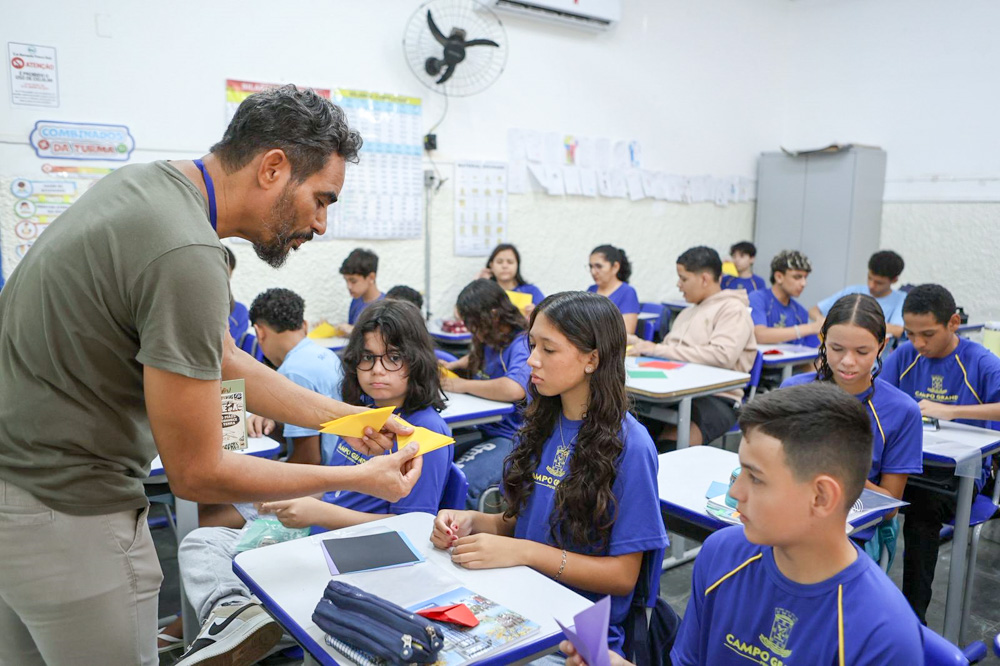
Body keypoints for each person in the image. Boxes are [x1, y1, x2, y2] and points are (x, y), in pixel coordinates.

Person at [0, 85, 422, 665]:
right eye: (321, 199)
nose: (322, 223)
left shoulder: (145, 190)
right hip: (70, 516)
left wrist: (348, 419)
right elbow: (197, 472)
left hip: (20, 497)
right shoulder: (186, 252)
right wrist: (359, 478)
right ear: (273, 168)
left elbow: (224, 360)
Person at [563, 383, 923, 666]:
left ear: (822, 497)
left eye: (756, 478)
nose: (735, 492)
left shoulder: (883, 631)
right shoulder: (722, 554)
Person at [175, 299, 453, 665]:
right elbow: (338, 485)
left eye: (393, 357)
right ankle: (238, 618)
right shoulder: (367, 415)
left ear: (416, 361)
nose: (377, 370)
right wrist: (297, 498)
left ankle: (251, 620)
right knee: (202, 541)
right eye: (367, 358)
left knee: (247, 575)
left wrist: (315, 511)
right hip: (315, 537)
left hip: (354, 560)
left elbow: (411, 530)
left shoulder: (425, 432)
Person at [431, 291, 667, 658]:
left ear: (592, 359)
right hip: (519, 602)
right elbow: (525, 524)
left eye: (548, 349)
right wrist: (475, 522)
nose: (532, 360)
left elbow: (622, 577)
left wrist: (525, 552)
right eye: (531, 346)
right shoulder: (542, 423)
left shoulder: (630, 446)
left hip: (575, 635)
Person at [880, 283, 1000, 623]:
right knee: (857, 495)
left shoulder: (980, 361)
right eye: (911, 333)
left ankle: (912, 619)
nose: (918, 343)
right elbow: (880, 398)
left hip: (961, 475)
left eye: (928, 334)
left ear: (953, 323)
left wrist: (952, 411)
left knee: (922, 511)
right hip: (907, 464)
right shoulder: (904, 356)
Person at [781, 294, 923, 565]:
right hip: (787, 514)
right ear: (823, 340)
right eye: (837, 348)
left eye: (862, 352)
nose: (848, 361)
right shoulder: (793, 391)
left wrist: (839, 471)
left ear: (882, 346)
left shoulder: (902, 411)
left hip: (850, 531)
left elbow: (890, 509)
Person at [629, 246, 756, 447]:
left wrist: (655, 349)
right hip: (675, 390)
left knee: (671, 444)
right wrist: (642, 346)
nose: (678, 285)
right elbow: (670, 350)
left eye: (683, 278)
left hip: (717, 397)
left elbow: (722, 356)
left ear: (704, 279)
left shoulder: (733, 310)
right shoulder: (687, 312)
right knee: (625, 425)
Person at [440, 279, 530, 508]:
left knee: (460, 482)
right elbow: (476, 358)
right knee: (434, 464)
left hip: (511, 436)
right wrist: (454, 366)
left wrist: (462, 385)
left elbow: (514, 388)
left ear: (494, 315)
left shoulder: (521, 343)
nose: (476, 335)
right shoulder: (492, 340)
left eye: (475, 326)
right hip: (483, 428)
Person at [810, 250, 906, 339]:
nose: (871, 285)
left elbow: (897, 330)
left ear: (894, 280)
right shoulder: (853, 290)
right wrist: (821, 320)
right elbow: (814, 310)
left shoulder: (901, 299)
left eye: (879, 283)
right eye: (869, 278)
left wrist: (849, 322)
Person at [748, 249, 821, 346]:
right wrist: (810, 328)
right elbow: (759, 335)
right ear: (779, 277)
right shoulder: (757, 298)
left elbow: (812, 350)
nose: (804, 283)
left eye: (805, 277)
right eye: (797, 277)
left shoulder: (800, 312)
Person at [478, 243, 544, 317]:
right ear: (491, 265)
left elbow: (547, 317)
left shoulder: (532, 291)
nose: (504, 266)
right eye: (499, 262)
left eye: (510, 262)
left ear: (517, 265)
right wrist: (478, 284)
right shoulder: (484, 292)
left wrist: (536, 313)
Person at [586, 244, 639, 335]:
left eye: (599, 266)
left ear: (615, 267)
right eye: (591, 267)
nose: (593, 272)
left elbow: (627, 332)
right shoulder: (591, 290)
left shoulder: (627, 292)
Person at [338, 247, 384, 335]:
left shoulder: (385, 306)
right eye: (346, 281)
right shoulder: (356, 301)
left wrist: (354, 330)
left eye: (353, 281)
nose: (349, 286)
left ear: (371, 277)